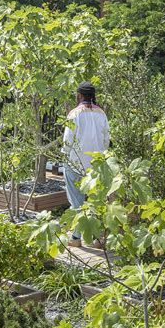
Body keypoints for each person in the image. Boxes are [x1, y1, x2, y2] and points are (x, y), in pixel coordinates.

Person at [62, 81, 109, 247]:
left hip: (75, 162)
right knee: (95, 201)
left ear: (79, 95)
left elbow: (68, 140)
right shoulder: (101, 113)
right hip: (96, 165)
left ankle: (76, 238)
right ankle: (97, 238)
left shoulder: (74, 114)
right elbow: (106, 139)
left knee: (76, 201)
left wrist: (64, 156)